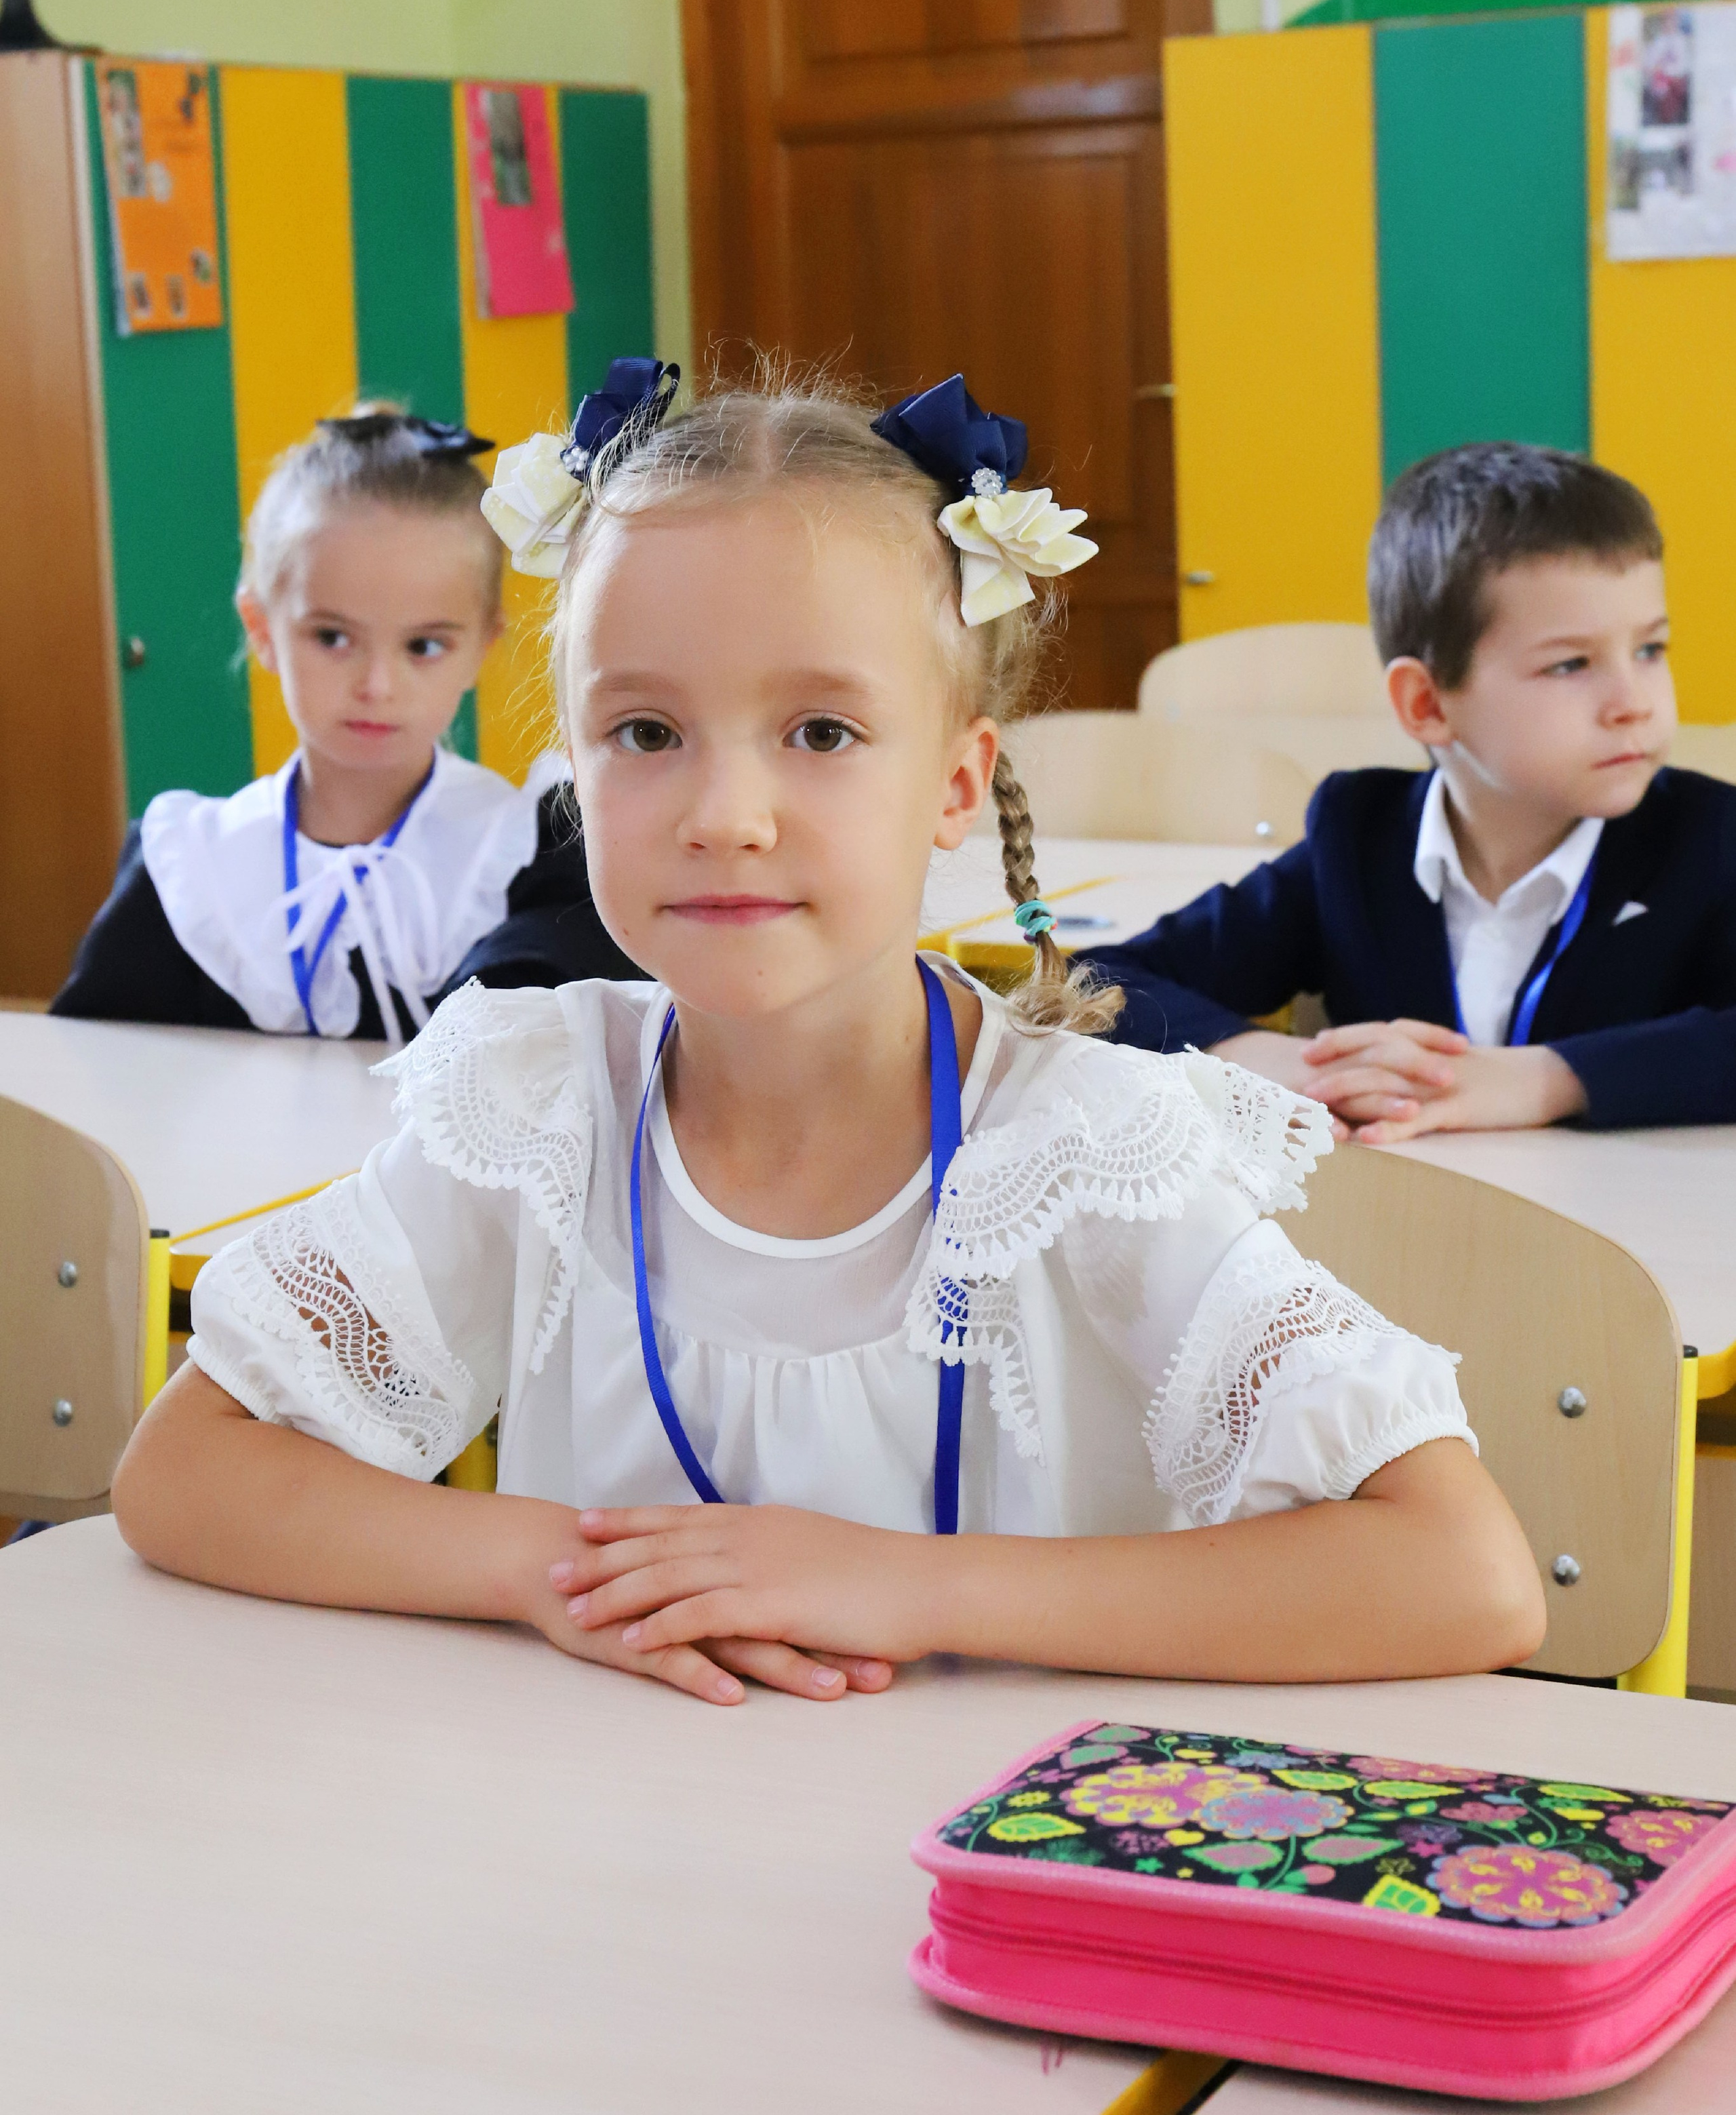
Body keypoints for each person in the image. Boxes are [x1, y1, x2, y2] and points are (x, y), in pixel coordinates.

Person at [111, 365, 1544, 1708]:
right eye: (645, 733)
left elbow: (1462, 1576)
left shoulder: (1076, 1153)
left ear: (955, 782)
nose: (723, 811)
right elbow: (183, 1473)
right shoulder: (547, 1106)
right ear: (570, 772)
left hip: (999, 1886)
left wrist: (907, 1589)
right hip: (609, 1868)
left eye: (819, 734)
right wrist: (556, 1573)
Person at [1088, 443, 1736, 1137]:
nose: (1632, 702)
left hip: (1641, 1234)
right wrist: (1264, 1059)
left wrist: (1551, 1078)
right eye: (1571, 664)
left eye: (1649, 650)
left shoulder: (1708, 838)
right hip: (1412, 1220)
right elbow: (1095, 985)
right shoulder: (1358, 838)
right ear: (1426, 703)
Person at [53, 406, 637, 1044]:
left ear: (483, 646)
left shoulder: (532, 855)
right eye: (333, 637)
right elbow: (97, 1078)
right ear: (262, 629)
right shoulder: (187, 868)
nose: (377, 686)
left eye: (424, 646)